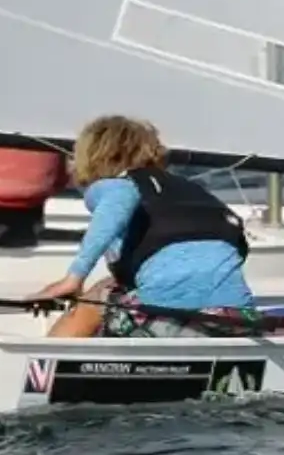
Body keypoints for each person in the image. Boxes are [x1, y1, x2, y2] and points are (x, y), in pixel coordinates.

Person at [32, 115, 257, 338]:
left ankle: (46, 363)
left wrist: (74, 279)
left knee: (97, 296)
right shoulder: (189, 189)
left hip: (168, 319)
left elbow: (121, 198)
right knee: (117, 285)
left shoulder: (114, 186)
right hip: (236, 316)